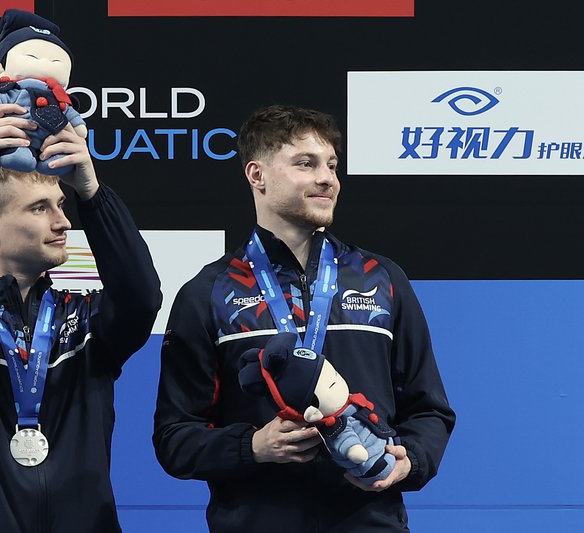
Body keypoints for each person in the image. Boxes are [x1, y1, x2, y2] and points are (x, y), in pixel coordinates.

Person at [153, 104, 455, 532]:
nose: (327, 178)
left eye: (331, 165)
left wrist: (411, 462)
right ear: (256, 175)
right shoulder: (208, 293)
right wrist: (252, 446)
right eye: (305, 163)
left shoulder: (382, 279)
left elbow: (429, 411)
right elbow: (174, 438)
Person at [0, 100, 162, 532]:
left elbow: (141, 297)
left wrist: (92, 193)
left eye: (62, 205)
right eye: (40, 208)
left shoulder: (86, 323)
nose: (63, 223)